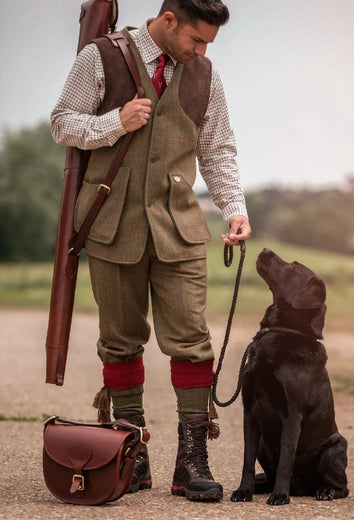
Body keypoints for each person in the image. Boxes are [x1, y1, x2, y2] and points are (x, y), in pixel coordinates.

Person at [50, 0, 251, 502]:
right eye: (196, 39)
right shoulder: (100, 57)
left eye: (207, 44)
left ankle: (192, 461)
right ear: (167, 21)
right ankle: (129, 457)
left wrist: (233, 208)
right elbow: (62, 123)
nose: (201, 51)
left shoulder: (204, 74)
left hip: (179, 227)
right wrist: (115, 122)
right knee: (119, 342)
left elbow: (218, 146)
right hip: (111, 224)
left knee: (191, 342)